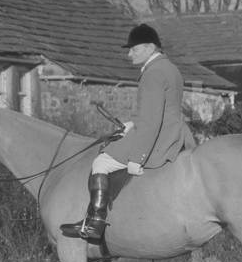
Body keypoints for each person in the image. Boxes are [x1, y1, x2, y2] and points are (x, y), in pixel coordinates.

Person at [60, 23, 196, 241]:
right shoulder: (170, 68)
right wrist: (132, 123)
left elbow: (152, 121)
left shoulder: (153, 73)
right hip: (175, 131)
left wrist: (137, 158)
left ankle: (95, 222)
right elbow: (160, 109)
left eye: (134, 49)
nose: (129, 54)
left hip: (159, 136)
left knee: (101, 162)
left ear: (151, 47)